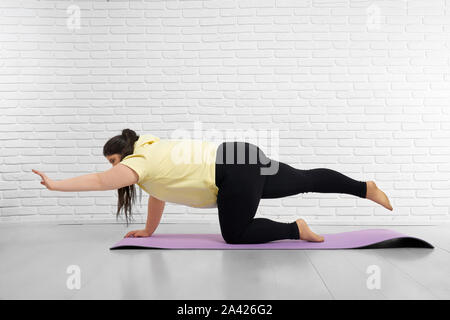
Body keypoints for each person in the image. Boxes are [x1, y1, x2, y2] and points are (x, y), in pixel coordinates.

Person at [32, 129, 393, 244]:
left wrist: (56, 185)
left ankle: (295, 229)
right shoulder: (153, 153)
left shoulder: (137, 163)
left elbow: (98, 181)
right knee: (304, 179)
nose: (114, 170)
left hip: (230, 172)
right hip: (239, 154)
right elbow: (160, 194)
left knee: (235, 234)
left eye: (113, 162)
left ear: (122, 155)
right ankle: (366, 187)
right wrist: (148, 230)